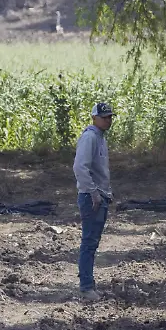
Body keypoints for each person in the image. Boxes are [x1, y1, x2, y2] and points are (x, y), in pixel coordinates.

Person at [73, 101, 115, 302]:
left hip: (100, 195)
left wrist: (106, 192)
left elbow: (100, 171)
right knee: (89, 242)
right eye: (105, 117)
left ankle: (89, 284)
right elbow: (80, 168)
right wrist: (94, 192)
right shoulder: (90, 137)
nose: (108, 120)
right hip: (92, 198)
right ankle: (86, 287)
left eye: (110, 117)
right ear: (94, 118)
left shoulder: (100, 138)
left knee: (93, 242)